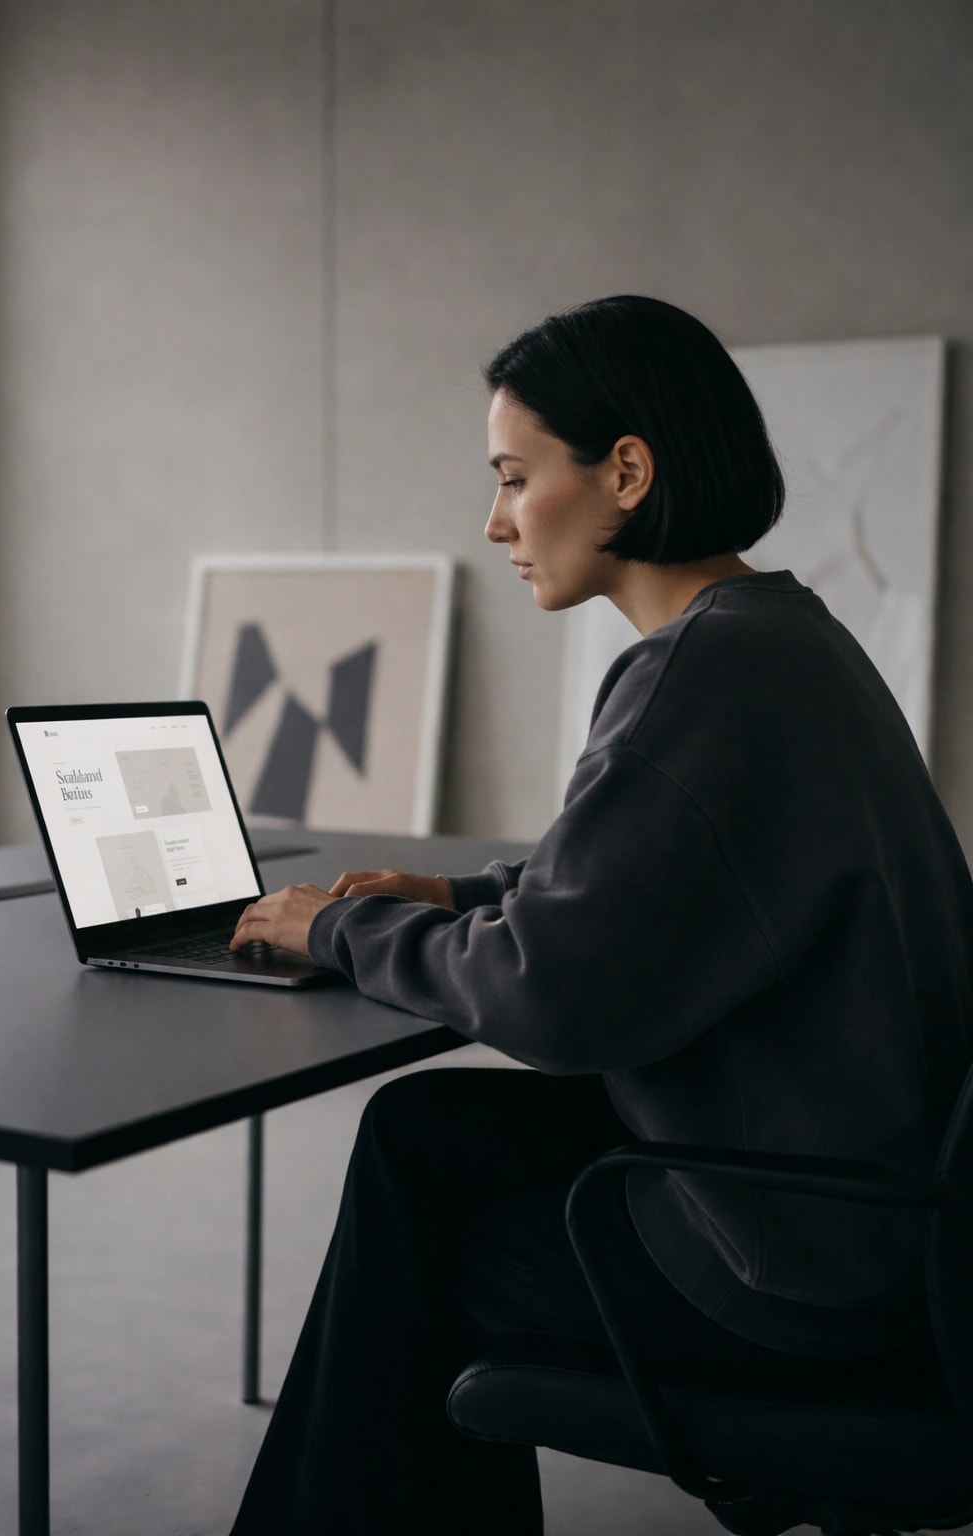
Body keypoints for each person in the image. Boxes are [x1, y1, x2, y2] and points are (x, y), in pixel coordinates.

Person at [225, 296, 973, 1535]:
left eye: (515, 478)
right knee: (422, 1133)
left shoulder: (697, 672)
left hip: (794, 1266)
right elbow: (652, 892)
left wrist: (337, 931)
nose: (493, 521)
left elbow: (550, 999)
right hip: (872, 1208)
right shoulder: (779, 636)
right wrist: (459, 897)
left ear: (625, 472)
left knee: (414, 1270)